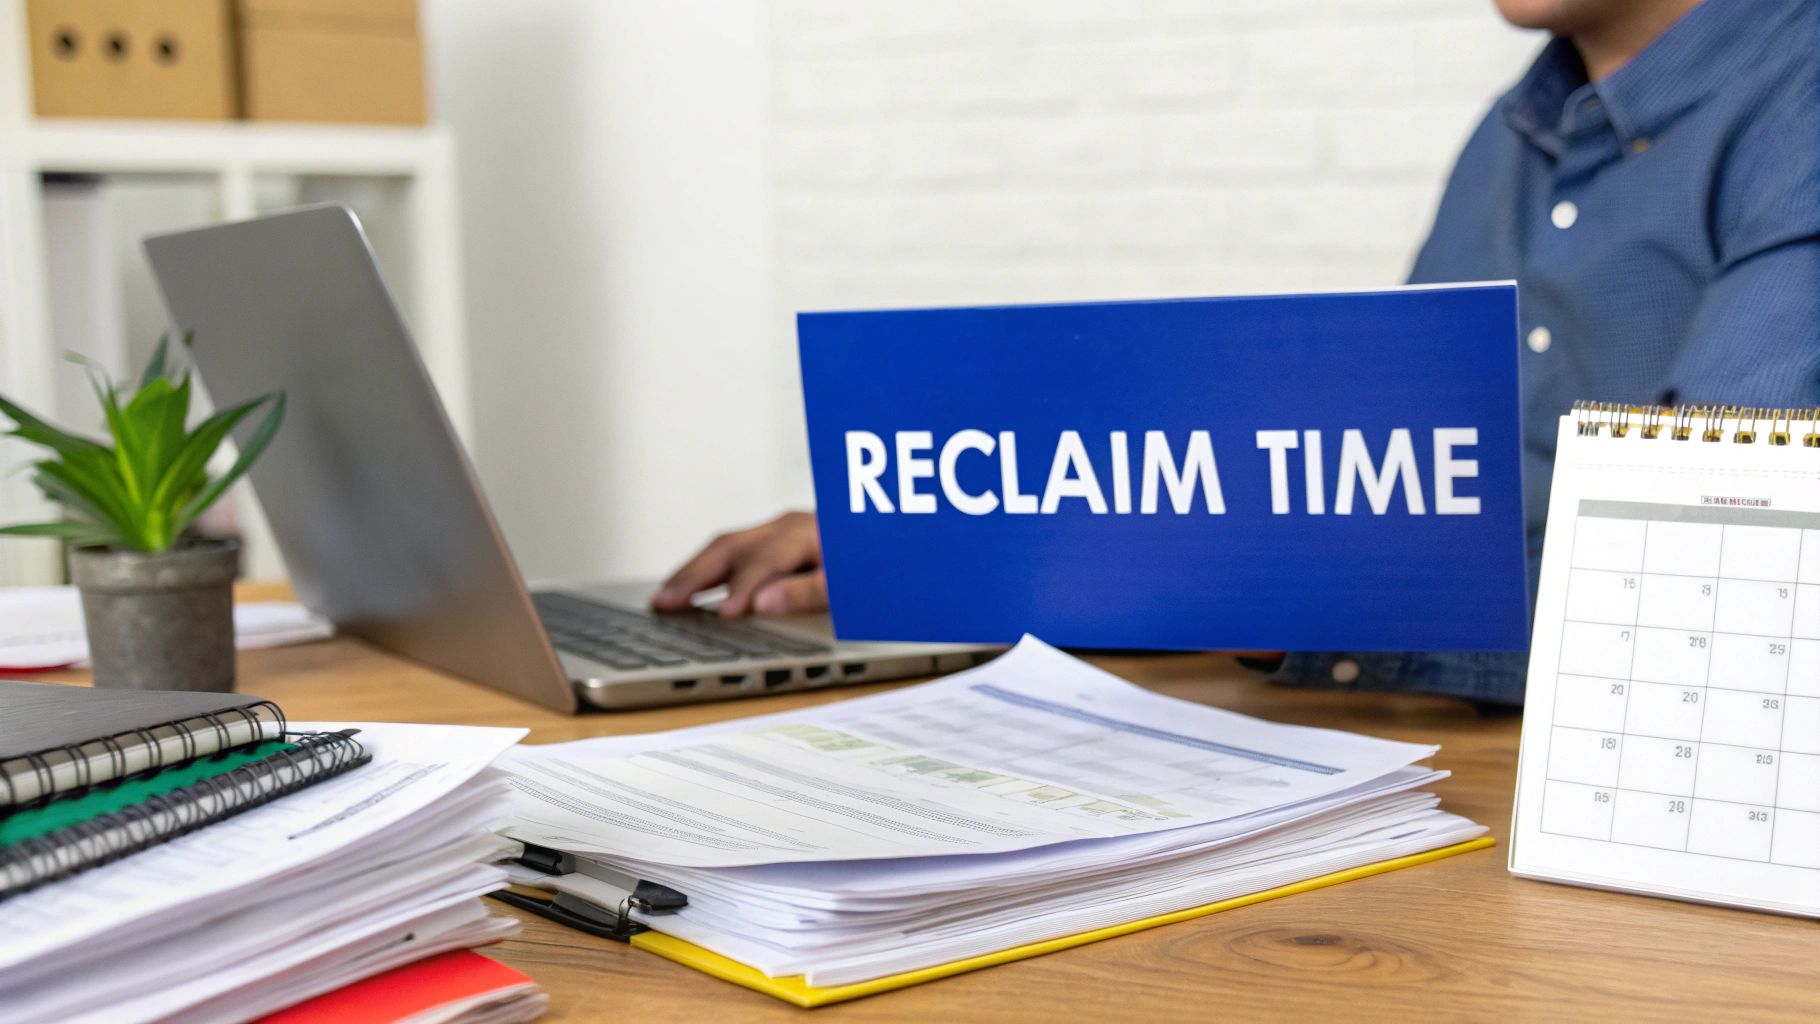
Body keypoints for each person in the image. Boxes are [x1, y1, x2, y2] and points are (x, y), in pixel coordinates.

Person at [652, 0, 1820, 706]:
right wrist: (938, 537)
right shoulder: (1511, 134)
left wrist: (1283, 596)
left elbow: (1714, 584)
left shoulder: (1796, 96)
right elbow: (1394, 508)